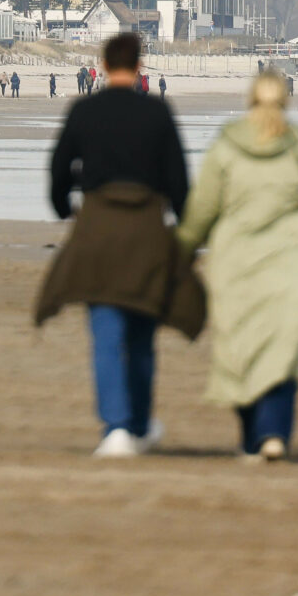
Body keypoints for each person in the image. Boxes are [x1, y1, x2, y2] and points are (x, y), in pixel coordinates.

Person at [34, 32, 201, 459]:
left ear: (104, 66)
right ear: (139, 65)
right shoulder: (157, 112)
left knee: (106, 331)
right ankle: (140, 424)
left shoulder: (85, 110)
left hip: (98, 226)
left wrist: (62, 207)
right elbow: (179, 180)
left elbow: (58, 167)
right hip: (146, 226)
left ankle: (116, 428)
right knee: (143, 332)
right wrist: (186, 233)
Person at [178, 71, 298, 462]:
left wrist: (184, 246)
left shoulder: (227, 144)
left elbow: (204, 206)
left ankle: (251, 439)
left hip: (235, 261)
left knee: (240, 348)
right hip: (291, 260)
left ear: (250, 99)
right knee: (282, 349)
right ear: (285, 100)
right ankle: (274, 433)